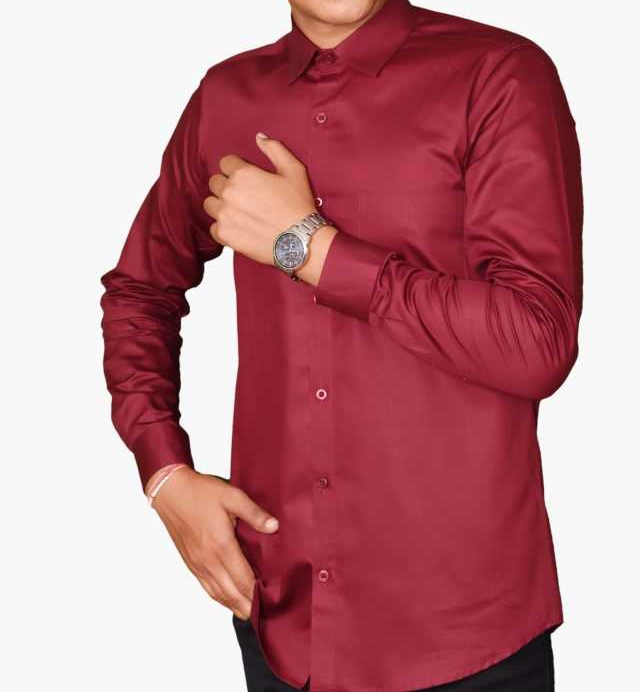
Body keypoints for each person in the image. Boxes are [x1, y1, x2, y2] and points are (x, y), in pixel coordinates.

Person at [99, 0, 582, 690]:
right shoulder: (226, 99)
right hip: (280, 624)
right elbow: (140, 291)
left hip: (464, 638)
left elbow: (538, 340)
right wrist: (165, 473)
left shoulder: (498, 75)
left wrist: (312, 250)